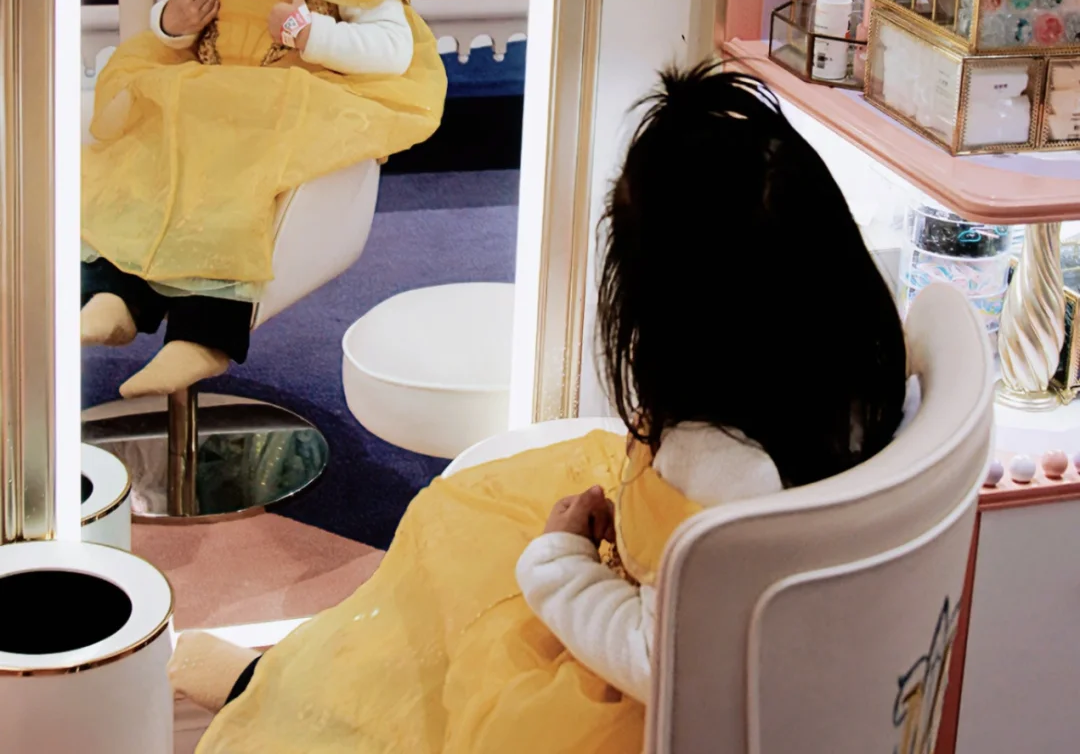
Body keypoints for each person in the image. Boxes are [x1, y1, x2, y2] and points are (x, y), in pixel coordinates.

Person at [172, 64, 908, 752]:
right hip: (701, 600)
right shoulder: (862, 372)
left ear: (673, 319)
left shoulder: (715, 467)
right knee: (455, 534)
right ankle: (295, 685)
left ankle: (292, 706)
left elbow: (665, 659)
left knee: (460, 582)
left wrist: (561, 562)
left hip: (629, 708)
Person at [80, 0, 447, 398]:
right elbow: (180, 24)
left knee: (233, 194)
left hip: (291, 107)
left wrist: (314, 35)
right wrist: (173, 21)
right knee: (144, 161)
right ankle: (116, 294)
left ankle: (202, 334)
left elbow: (393, 48)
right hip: (208, 93)